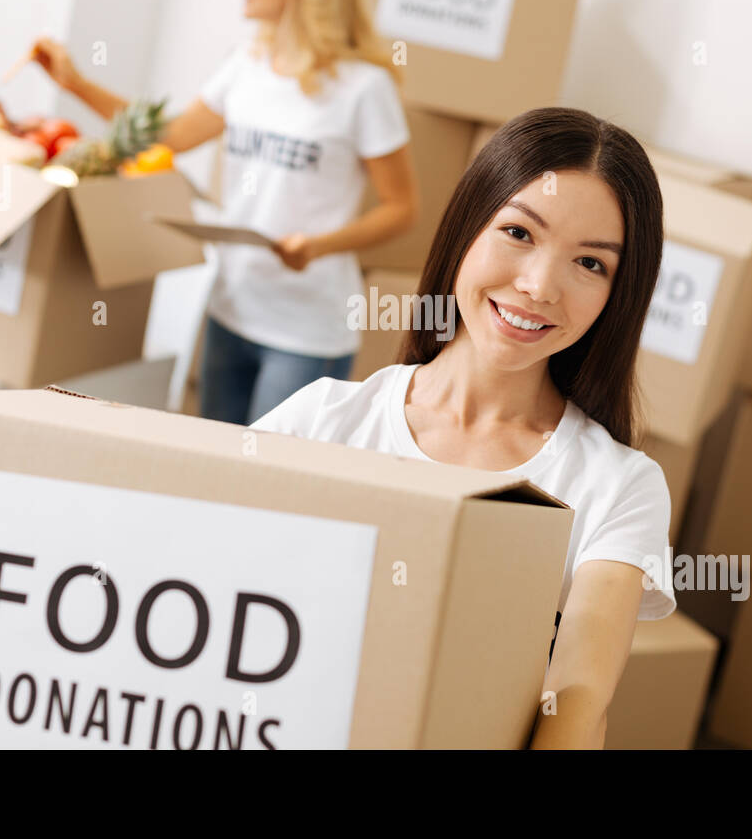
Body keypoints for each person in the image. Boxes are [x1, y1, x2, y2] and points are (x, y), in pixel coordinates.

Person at [251, 106, 674, 749]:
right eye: (519, 233)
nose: (539, 286)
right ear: (466, 228)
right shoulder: (322, 419)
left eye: (590, 264)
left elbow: (580, 694)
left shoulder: (619, 486)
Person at [30, 0, 418, 425]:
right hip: (230, 309)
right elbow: (168, 135)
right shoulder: (245, 67)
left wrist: (318, 245)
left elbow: (402, 209)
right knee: (215, 467)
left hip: (304, 330)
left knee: (267, 483)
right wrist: (75, 84)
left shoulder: (363, 89)